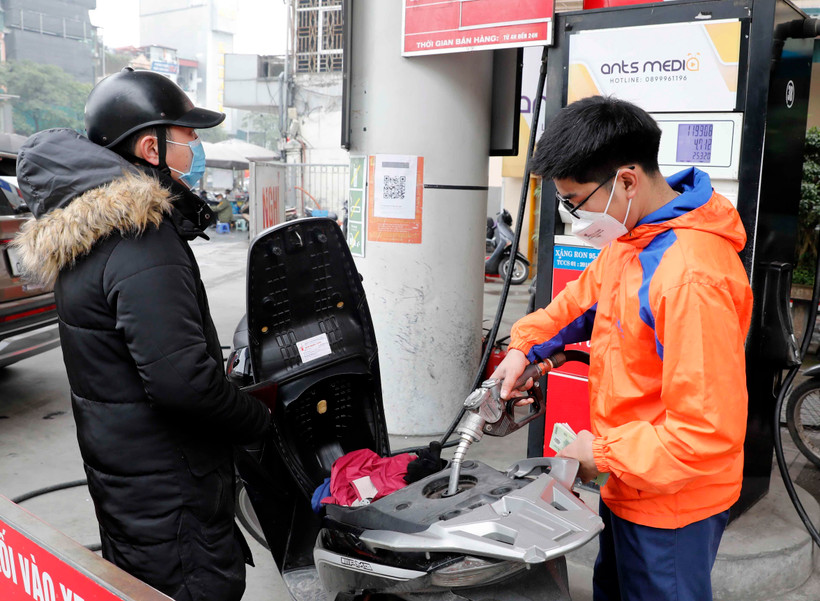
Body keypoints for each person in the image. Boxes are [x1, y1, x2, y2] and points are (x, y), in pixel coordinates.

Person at [11, 68, 271, 601]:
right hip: (172, 491)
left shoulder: (88, 233)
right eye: (188, 136)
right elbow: (183, 382)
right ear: (152, 147)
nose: (195, 149)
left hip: (131, 483)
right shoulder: (141, 240)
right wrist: (258, 419)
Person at [492, 96, 753, 601]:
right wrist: (525, 350)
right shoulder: (633, 241)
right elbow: (577, 306)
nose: (573, 215)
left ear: (628, 181)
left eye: (575, 200)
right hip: (630, 480)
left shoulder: (691, 277)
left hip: (674, 504)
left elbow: (706, 432)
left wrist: (603, 451)